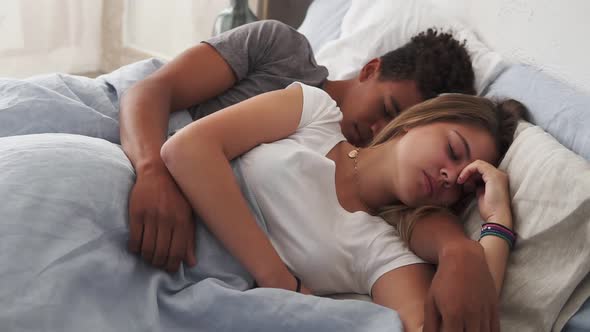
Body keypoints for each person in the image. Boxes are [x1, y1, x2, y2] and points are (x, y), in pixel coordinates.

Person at [119, 19, 494, 330]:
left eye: (460, 185)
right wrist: (153, 172)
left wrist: (489, 233)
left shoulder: (381, 242)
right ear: (370, 70)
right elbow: (156, 96)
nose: (381, 127)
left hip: (177, 258)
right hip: (134, 144)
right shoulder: (301, 85)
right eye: (387, 108)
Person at [159, 83, 523, 331]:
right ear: (418, 120)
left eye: (462, 185)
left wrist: (497, 222)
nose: (449, 176)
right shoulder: (316, 113)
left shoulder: (384, 250)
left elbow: (447, 323)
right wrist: (276, 277)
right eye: (454, 151)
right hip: (147, 206)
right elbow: (187, 149)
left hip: (175, 282)